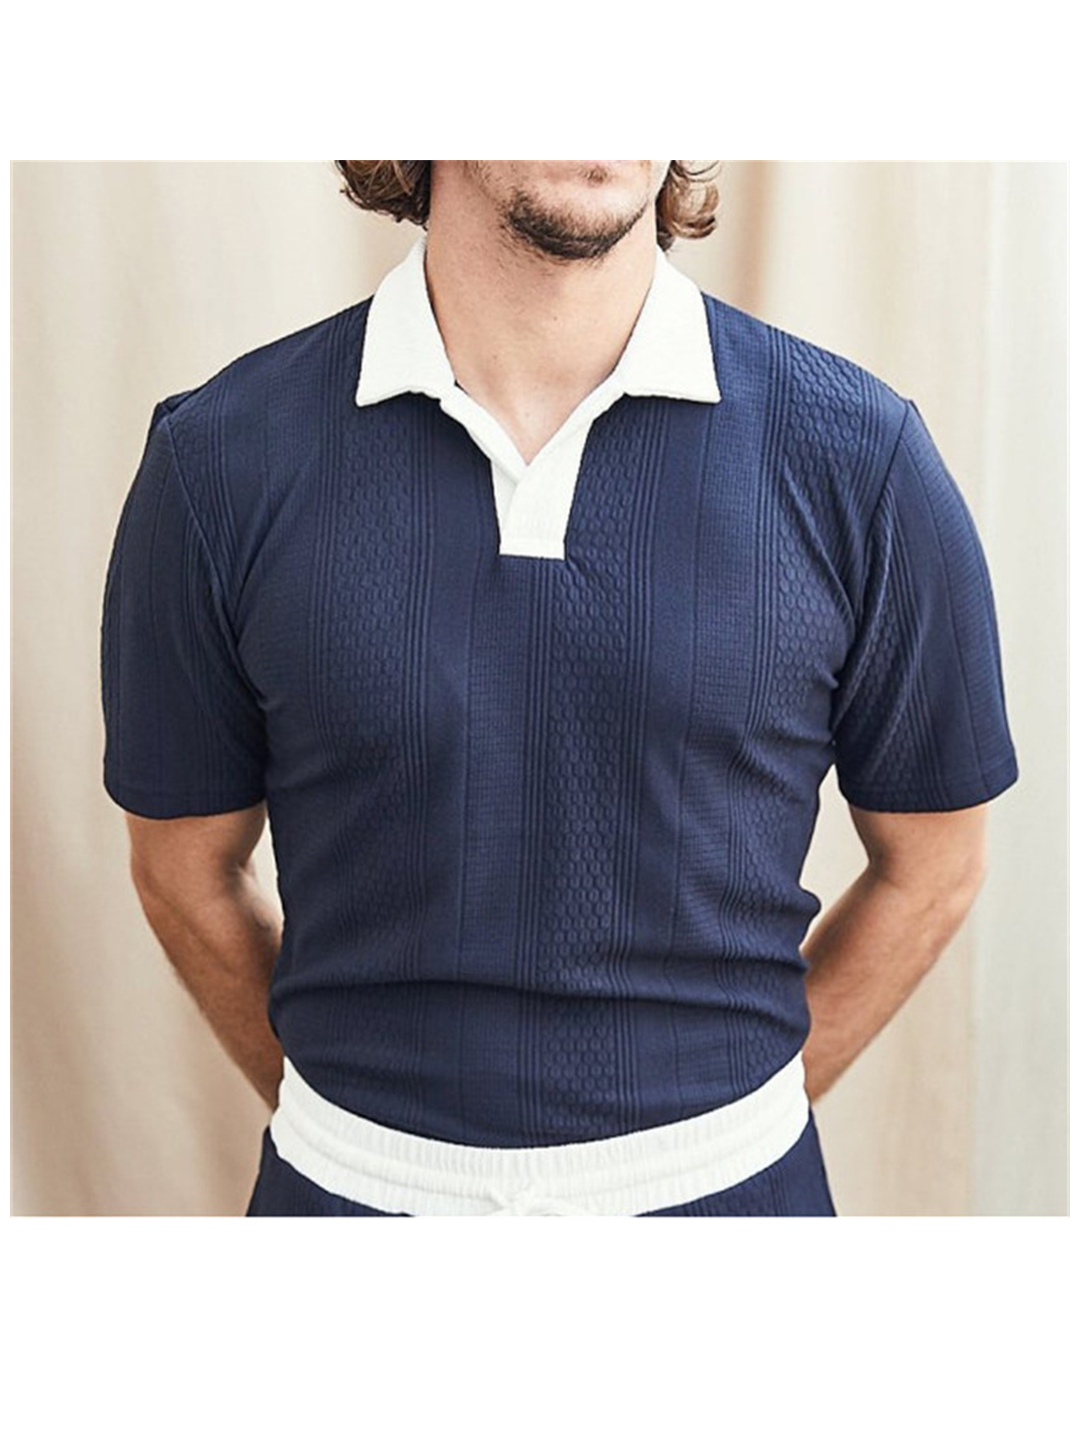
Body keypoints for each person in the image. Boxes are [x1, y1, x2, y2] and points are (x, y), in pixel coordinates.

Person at [100, 161, 1019, 1216]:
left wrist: (721, 1134)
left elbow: (937, 866)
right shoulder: (218, 459)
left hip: (735, 1199)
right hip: (343, 1196)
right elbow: (182, 872)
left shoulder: (860, 456)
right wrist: (366, 1143)